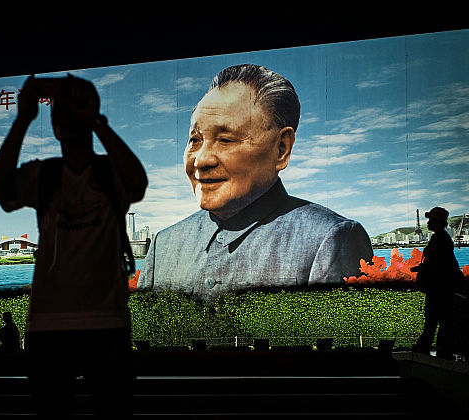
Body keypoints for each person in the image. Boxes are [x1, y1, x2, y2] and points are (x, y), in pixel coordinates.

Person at [0, 74, 155, 420]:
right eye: (59, 112)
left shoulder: (108, 173)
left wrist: (98, 124)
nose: (62, 118)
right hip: (51, 328)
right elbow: (0, 189)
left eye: (68, 110)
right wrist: (22, 117)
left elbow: (139, 185)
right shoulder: (45, 175)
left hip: (103, 323)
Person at [135, 64, 373, 298]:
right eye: (195, 140)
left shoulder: (330, 240)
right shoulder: (163, 245)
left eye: (226, 139)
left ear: (281, 149)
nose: (201, 160)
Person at [411, 206, 464, 353]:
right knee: (440, 320)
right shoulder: (442, 238)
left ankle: (430, 347)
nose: (427, 223)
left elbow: (439, 265)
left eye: (430, 220)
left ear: (438, 222)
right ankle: (440, 348)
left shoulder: (439, 239)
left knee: (433, 319)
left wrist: (423, 269)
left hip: (438, 288)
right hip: (441, 287)